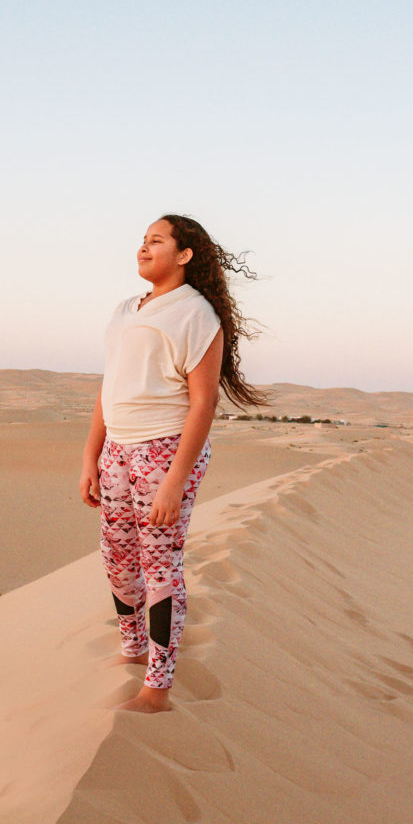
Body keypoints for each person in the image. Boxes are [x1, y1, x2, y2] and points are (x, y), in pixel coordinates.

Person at [79, 214, 267, 713]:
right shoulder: (124, 310)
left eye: (156, 241)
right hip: (117, 449)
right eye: (142, 240)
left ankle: (157, 689)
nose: (143, 248)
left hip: (165, 450)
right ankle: (132, 649)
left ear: (183, 255)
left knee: (160, 565)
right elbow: (109, 386)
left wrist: (174, 482)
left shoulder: (196, 314)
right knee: (118, 559)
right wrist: (89, 456)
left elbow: (203, 403)